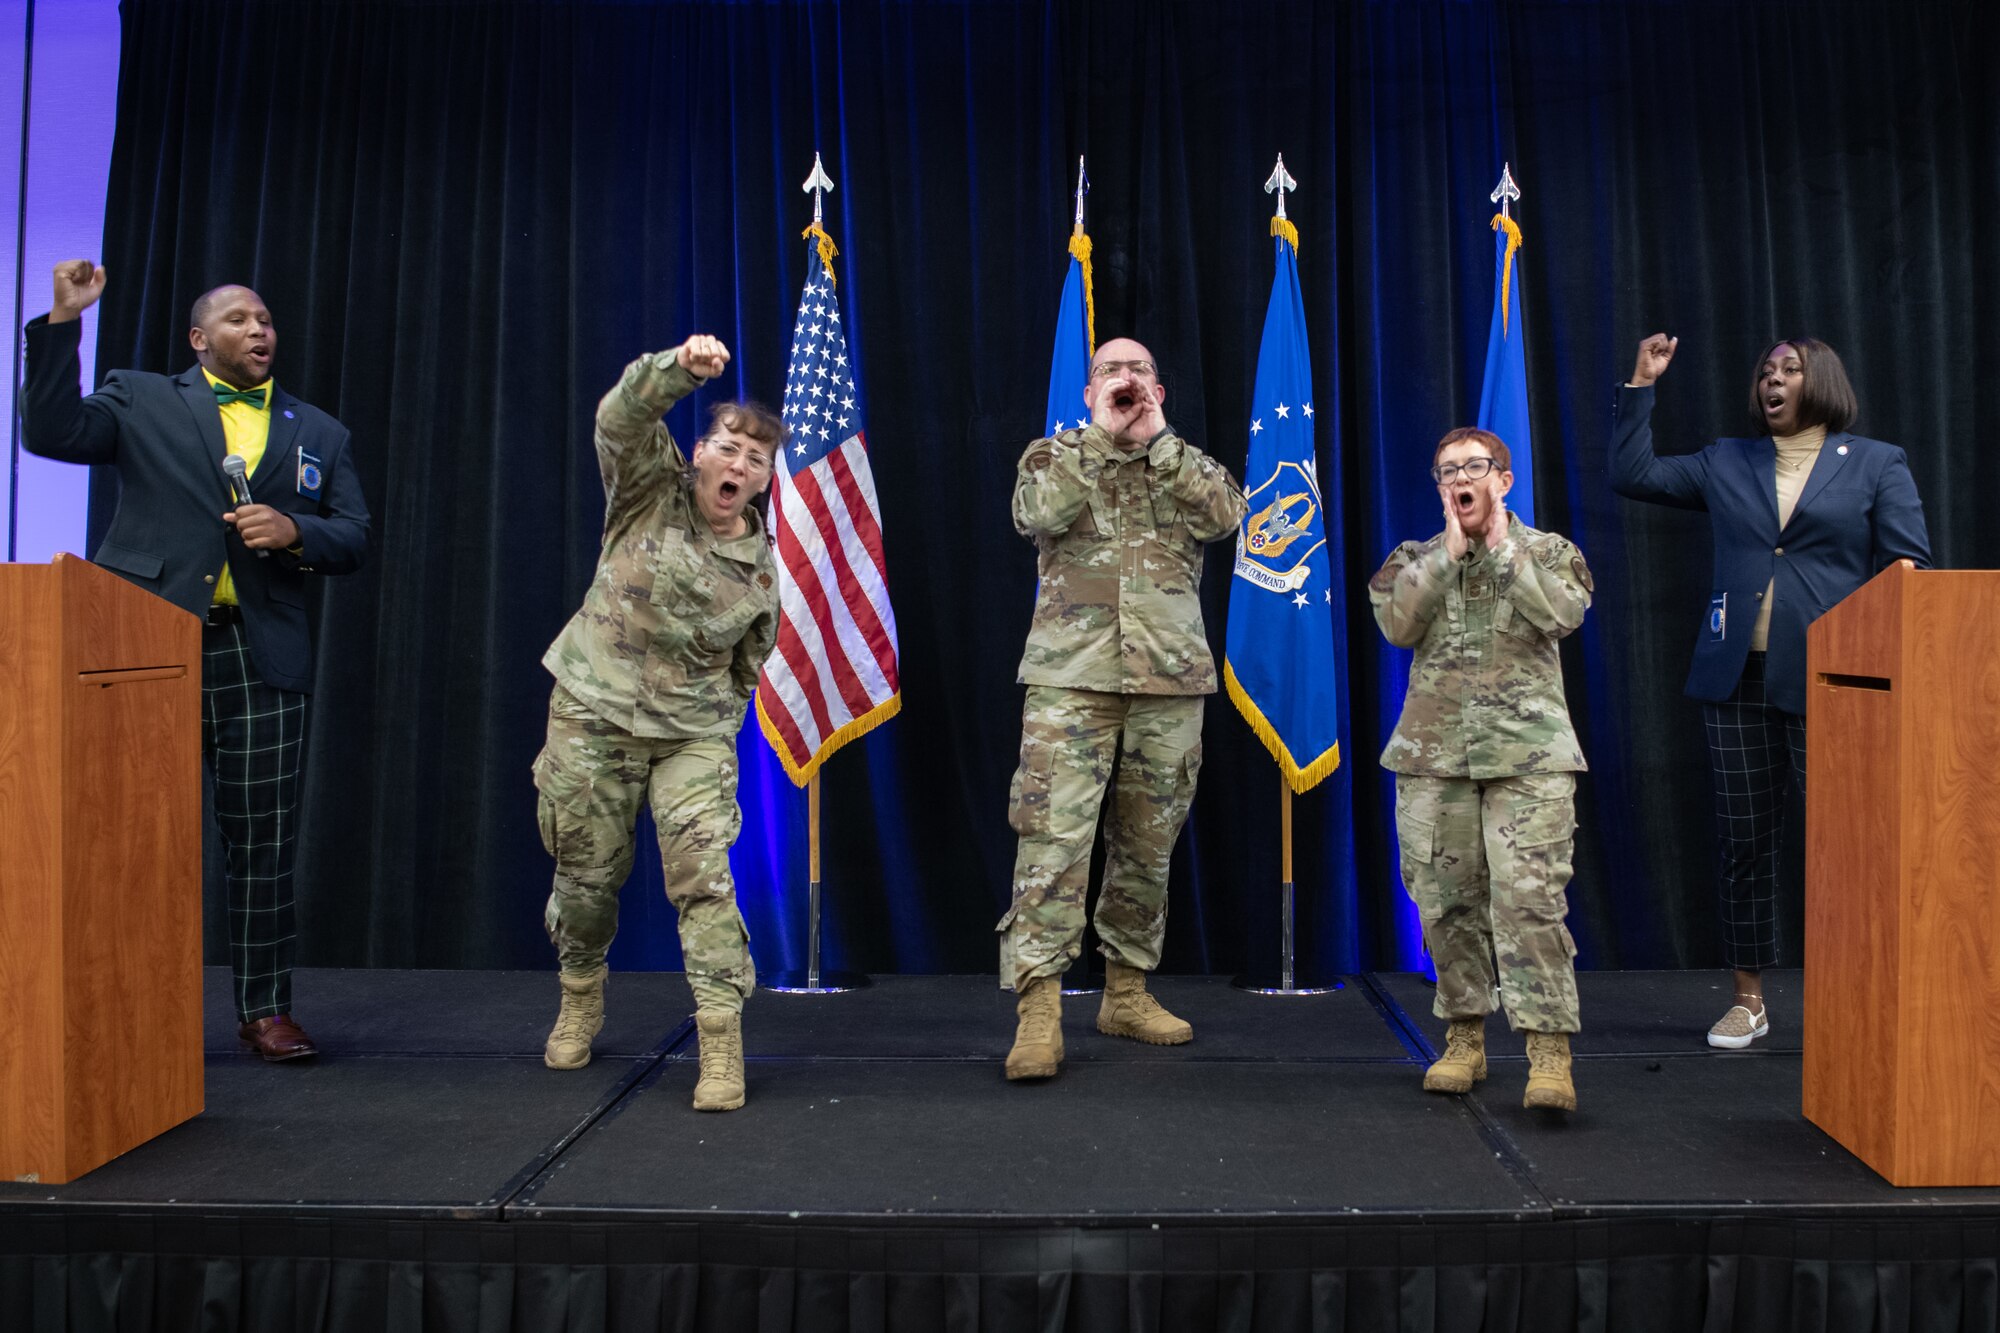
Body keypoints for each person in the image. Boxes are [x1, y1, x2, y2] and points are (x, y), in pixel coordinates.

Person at [21, 261, 372, 1061]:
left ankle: (265, 1010)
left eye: (268, 321)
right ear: (198, 338)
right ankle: (125, 1002)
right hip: (145, 647)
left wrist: (296, 531)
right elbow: (49, 433)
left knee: (261, 840)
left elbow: (353, 533)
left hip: (260, 655)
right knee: (134, 836)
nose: (260, 330)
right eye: (241, 319)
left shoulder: (317, 431)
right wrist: (65, 323)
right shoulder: (142, 397)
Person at [1611, 333, 1930, 1047]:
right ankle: (1748, 999)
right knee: (1745, 841)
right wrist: (1642, 382)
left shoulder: (1877, 463)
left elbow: (1909, 563)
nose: (1773, 380)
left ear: (1823, 382)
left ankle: (1859, 994)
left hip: (1837, 679)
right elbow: (1633, 472)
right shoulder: (1729, 459)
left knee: (1848, 843)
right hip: (1737, 678)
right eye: (1766, 371)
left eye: (1789, 369)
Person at [535, 334, 779, 1113]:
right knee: (586, 878)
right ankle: (580, 991)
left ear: (764, 481)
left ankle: (720, 1038)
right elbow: (620, 419)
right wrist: (677, 369)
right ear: (700, 453)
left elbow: (751, 662)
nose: (737, 465)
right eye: (728, 447)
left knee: (705, 881)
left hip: (691, 734)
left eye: (755, 459)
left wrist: (709, 727)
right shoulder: (648, 488)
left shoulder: (761, 567)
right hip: (593, 711)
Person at [998, 337, 1247, 1081]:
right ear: (1089, 392)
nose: (1127, 380)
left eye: (1140, 371)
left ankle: (1126, 992)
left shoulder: (1185, 461)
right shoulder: (1054, 455)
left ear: (1161, 392)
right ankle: (1039, 1007)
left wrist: (1158, 444)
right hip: (1072, 682)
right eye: (1112, 370)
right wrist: (1102, 440)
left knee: (1148, 844)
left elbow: (1226, 516)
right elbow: (1035, 514)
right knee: (1054, 842)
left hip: (1168, 684)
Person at [1370, 427, 1592, 1112]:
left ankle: (1548, 1052)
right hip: (1435, 761)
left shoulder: (1550, 552)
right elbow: (1397, 624)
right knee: (1446, 904)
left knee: (1529, 903)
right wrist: (1451, 556)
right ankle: (1464, 1037)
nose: (1459, 479)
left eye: (1473, 467)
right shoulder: (1413, 558)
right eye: (1446, 470)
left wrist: (1499, 548)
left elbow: (1562, 612)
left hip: (1528, 761)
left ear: (1505, 478)